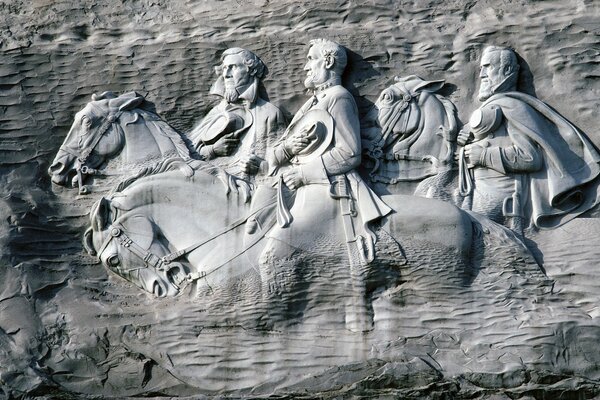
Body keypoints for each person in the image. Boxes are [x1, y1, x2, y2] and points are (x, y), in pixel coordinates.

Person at [259, 39, 392, 264]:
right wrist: (289, 149)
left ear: (328, 61)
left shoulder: (339, 97)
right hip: (294, 184)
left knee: (273, 256)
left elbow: (350, 152)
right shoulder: (313, 102)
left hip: (327, 188)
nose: (306, 66)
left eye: (311, 59)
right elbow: (278, 151)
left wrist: (304, 174)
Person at [458, 45, 600, 232]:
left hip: (500, 196)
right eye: (481, 69)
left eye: (487, 67)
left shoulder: (514, 107)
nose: (482, 74)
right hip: (474, 189)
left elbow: (531, 158)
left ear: (507, 70)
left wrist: (484, 155)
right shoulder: (494, 107)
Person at [188, 48, 286, 181]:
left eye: (232, 67)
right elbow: (187, 153)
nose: (226, 74)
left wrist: (260, 166)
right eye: (224, 69)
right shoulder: (217, 111)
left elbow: (283, 162)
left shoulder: (270, 113)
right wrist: (213, 150)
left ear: (251, 70)